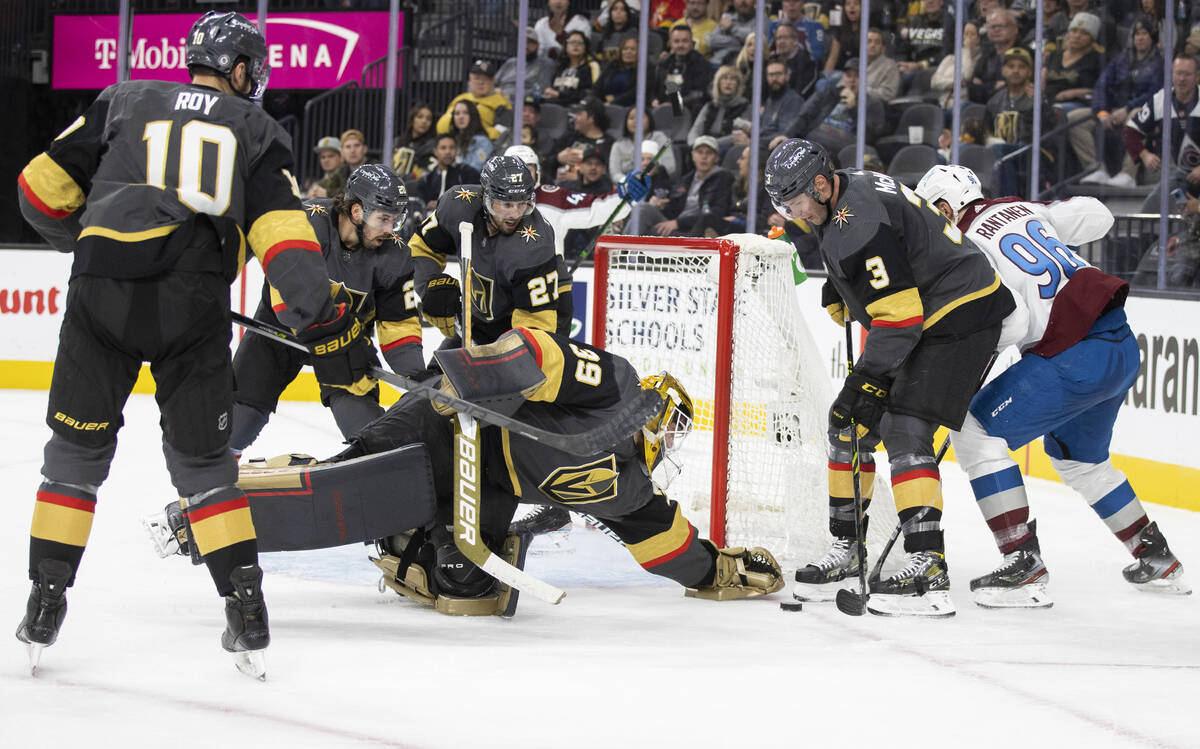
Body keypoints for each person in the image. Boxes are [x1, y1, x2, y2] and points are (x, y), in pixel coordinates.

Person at [12, 11, 375, 675]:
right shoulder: (256, 128)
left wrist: (89, 248)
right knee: (205, 469)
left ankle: (45, 599)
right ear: (238, 69)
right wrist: (316, 309)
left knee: (73, 455)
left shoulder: (122, 98)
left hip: (102, 295)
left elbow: (37, 191)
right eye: (254, 68)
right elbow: (286, 242)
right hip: (192, 302)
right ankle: (246, 610)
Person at [293, 329, 785, 615]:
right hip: (449, 422)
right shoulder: (618, 386)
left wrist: (718, 568)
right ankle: (292, 482)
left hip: (482, 483)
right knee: (344, 478)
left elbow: (665, 542)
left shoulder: (630, 491)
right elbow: (542, 352)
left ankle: (404, 539)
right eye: (672, 429)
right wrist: (476, 377)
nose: (670, 442)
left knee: (468, 588)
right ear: (653, 411)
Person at [915, 164, 1189, 606]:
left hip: (1071, 355)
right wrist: (1042, 218)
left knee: (973, 431)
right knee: (1078, 460)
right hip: (1118, 344)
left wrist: (968, 360)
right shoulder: (1019, 207)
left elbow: (1016, 320)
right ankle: (1154, 555)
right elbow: (1099, 214)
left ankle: (1022, 561)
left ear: (947, 207)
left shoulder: (964, 249)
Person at [765, 139, 1015, 617]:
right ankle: (848, 549)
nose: (795, 215)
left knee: (904, 428)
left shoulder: (856, 221)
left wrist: (868, 381)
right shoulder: (846, 187)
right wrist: (844, 286)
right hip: (929, 306)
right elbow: (893, 254)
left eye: (797, 204)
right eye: (786, 207)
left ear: (820, 184)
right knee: (848, 428)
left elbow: (899, 318)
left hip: (962, 311)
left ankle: (928, 566)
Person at [230, 165, 426, 457]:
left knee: (372, 437)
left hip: (344, 344)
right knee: (236, 425)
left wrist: (416, 377)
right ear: (357, 211)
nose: (390, 230)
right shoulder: (304, 224)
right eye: (384, 219)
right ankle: (208, 493)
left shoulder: (394, 255)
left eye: (396, 220)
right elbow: (288, 303)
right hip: (279, 334)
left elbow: (399, 325)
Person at [408, 155, 573, 347]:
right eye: (507, 204)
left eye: (522, 204)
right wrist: (428, 286)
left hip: (544, 312)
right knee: (440, 372)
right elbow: (422, 247)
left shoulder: (534, 243)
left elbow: (534, 328)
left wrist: (506, 363)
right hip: (484, 315)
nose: (515, 214)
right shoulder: (458, 204)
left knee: (527, 371)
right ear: (486, 196)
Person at [505, 144, 650, 259]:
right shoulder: (488, 203)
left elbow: (596, 209)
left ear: (537, 172)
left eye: (528, 168)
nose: (521, 175)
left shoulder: (553, 198)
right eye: (515, 169)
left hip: (545, 289)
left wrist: (624, 197)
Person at [1084, 16, 1163, 188]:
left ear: (1152, 37)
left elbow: (1155, 94)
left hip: (1141, 110)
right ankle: (1096, 169)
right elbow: (1101, 86)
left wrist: (1127, 108)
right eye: (1136, 34)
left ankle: (1128, 174)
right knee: (1075, 118)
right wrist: (1102, 111)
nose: (1140, 38)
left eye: (1144, 34)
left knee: (1136, 117)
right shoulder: (1121, 59)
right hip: (1113, 110)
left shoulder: (1159, 62)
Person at [1123, 54, 1200, 214]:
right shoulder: (1160, 99)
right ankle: (1152, 237)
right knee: (1152, 206)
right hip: (1181, 177)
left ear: (1197, 76)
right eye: (1178, 73)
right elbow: (1130, 132)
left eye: (1187, 74)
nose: (1181, 79)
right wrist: (1144, 155)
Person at [635, 135, 733, 237]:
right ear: (693, 156)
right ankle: (622, 249)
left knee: (646, 226)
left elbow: (715, 214)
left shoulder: (723, 178)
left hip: (696, 229)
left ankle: (622, 248)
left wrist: (678, 223)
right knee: (643, 209)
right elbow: (674, 209)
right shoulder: (686, 179)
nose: (704, 157)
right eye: (700, 152)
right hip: (675, 225)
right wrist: (662, 206)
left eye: (709, 153)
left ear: (717, 157)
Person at [1044, 12, 1104, 175]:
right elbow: (1041, 81)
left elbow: (1102, 89)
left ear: (1092, 38)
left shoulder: (1096, 59)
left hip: (1079, 105)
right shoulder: (1054, 56)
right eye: (1074, 31)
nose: (1077, 36)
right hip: (1048, 102)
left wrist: (1074, 92)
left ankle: (1063, 170)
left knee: (1058, 114)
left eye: (1084, 33)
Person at [435, 59, 513, 137]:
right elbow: (443, 126)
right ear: (470, 81)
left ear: (493, 81)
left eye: (485, 79)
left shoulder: (501, 102)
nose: (481, 82)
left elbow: (502, 131)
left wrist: (474, 134)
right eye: (477, 78)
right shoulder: (459, 99)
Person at [653, 23, 713, 116]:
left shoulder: (702, 65)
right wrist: (654, 100)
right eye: (676, 41)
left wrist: (675, 104)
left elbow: (700, 94)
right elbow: (655, 90)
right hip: (663, 109)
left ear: (692, 43)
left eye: (685, 41)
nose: (680, 45)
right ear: (670, 43)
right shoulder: (664, 64)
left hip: (690, 110)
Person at [686, 65, 750, 151]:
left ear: (738, 85)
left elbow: (737, 137)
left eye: (733, 79)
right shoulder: (710, 106)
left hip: (728, 149)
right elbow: (695, 131)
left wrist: (708, 143)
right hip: (705, 147)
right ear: (718, 83)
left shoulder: (745, 106)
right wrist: (695, 144)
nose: (728, 82)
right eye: (724, 78)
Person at [415, 134, 483, 209]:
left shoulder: (469, 173)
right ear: (435, 151)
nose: (448, 152)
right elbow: (419, 207)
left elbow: (474, 202)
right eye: (443, 148)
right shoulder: (426, 180)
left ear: (457, 150)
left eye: (452, 148)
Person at [610, 108, 677, 178]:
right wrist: (630, 182)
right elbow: (615, 173)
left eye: (640, 117)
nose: (635, 121)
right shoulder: (618, 144)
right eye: (631, 118)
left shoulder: (660, 137)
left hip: (656, 182)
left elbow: (670, 166)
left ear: (649, 120)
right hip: (628, 185)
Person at [496, 29, 557, 106]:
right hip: (498, 99)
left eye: (530, 42)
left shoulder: (545, 64)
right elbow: (493, 82)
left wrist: (510, 96)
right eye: (522, 41)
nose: (526, 45)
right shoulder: (510, 62)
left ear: (537, 46)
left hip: (523, 104)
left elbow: (541, 90)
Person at [542, 30, 603, 108]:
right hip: (555, 106)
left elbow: (593, 93)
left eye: (580, 42)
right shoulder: (560, 67)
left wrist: (560, 95)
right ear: (566, 46)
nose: (576, 45)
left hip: (579, 108)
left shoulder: (592, 66)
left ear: (585, 47)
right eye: (572, 42)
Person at [447, 99, 496, 173]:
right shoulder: (451, 140)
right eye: (457, 113)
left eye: (465, 113)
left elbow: (475, 169)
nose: (461, 117)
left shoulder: (482, 141)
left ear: (473, 116)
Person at [392, 103, 437, 181]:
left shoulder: (433, 146)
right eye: (420, 117)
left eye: (428, 119)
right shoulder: (398, 142)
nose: (424, 121)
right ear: (412, 119)